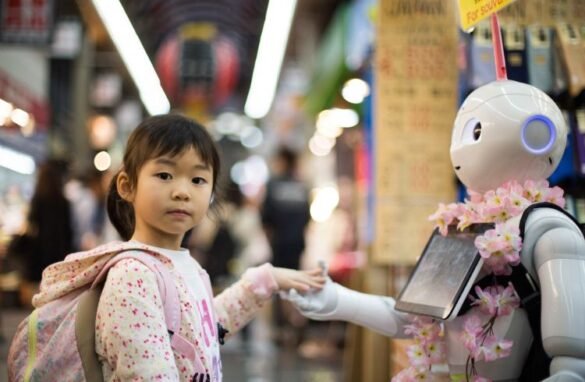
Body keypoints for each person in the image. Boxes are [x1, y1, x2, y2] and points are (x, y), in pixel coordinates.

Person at [284, 80, 585, 381]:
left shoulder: (549, 231)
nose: (459, 148)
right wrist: (338, 300)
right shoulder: (464, 226)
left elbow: (572, 352)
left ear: (537, 134)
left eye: (474, 131)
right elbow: (414, 316)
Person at [29, 114, 325, 381]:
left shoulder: (186, 265)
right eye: (164, 175)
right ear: (127, 186)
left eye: (197, 179)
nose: (182, 191)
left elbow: (202, 330)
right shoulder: (133, 276)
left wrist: (267, 280)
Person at [260, 146, 311, 344]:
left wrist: (270, 240)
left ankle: (281, 329)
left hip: (279, 244)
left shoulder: (273, 185)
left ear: (282, 161)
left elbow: (265, 219)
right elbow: (307, 218)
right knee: (297, 283)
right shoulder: (302, 186)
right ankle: (297, 323)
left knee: (279, 285)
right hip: (297, 244)